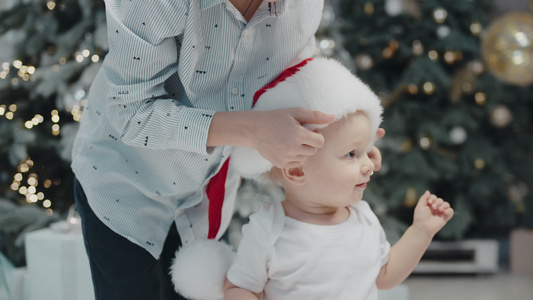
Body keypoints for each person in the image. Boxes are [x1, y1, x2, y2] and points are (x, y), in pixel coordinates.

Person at [71, 1, 383, 299]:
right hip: (124, 185)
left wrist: (352, 140)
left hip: (205, 198)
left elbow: (294, 82)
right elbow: (131, 112)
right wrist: (251, 129)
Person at [223, 57, 454, 300]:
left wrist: (421, 232)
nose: (369, 164)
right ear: (297, 171)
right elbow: (241, 288)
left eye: (366, 150)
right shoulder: (269, 229)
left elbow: (384, 275)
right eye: (352, 154)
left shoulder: (363, 219)